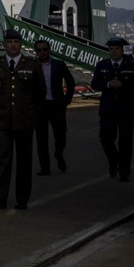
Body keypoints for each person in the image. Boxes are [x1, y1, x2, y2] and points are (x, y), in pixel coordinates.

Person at [0, 29, 44, 210]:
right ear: (4, 44)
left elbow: (40, 92)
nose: (12, 45)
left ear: (21, 45)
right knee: (3, 159)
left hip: (24, 119)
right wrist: (2, 104)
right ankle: (0, 196)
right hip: (2, 119)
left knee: (24, 160)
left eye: (16, 42)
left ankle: (22, 198)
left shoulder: (32, 65)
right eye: (9, 42)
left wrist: (28, 108)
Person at [92, 37, 134, 181]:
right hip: (108, 109)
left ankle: (124, 170)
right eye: (111, 49)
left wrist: (123, 86)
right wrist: (108, 84)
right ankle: (114, 160)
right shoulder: (102, 65)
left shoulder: (131, 65)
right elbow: (95, 83)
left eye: (117, 49)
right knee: (106, 139)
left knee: (126, 141)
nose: (114, 51)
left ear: (122, 50)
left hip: (126, 109)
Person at [33, 39, 75, 175]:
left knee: (61, 135)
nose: (42, 52)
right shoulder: (32, 66)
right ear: (36, 51)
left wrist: (67, 100)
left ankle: (58, 153)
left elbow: (70, 82)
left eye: (44, 49)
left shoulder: (59, 65)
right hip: (40, 107)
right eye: (39, 50)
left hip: (57, 105)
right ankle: (45, 167)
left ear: (49, 50)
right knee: (41, 138)